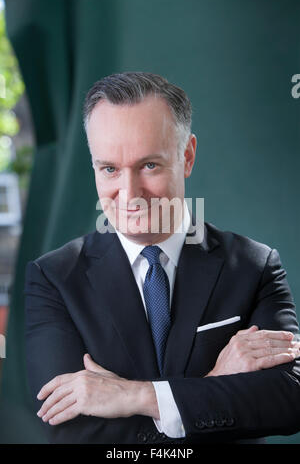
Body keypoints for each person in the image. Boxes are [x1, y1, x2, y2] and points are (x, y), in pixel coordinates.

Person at [25, 72, 300, 444]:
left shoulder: (254, 266)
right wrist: (216, 385)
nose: (129, 193)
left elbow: (287, 400)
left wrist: (133, 397)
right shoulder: (53, 278)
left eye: (149, 166)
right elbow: (73, 431)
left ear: (186, 157)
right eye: (109, 169)